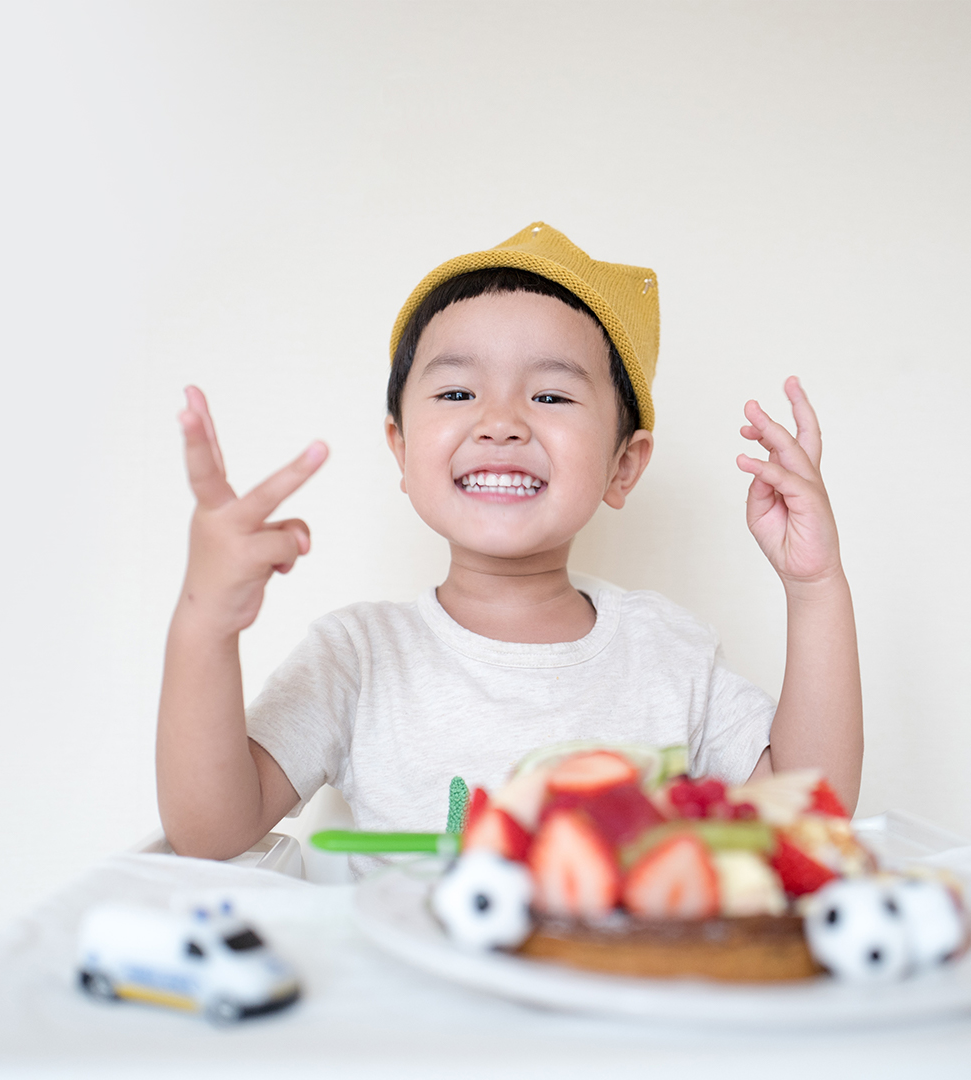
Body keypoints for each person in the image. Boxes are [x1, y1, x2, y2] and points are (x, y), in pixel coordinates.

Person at [155, 223, 862, 860]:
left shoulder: (671, 654)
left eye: (550, 396)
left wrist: (815, 589)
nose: (500, 422)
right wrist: (205, 621)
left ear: (624, 464)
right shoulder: (357, 658)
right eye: (458, 393)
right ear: (400, 450)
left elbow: (807, 817)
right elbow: (210, 832)